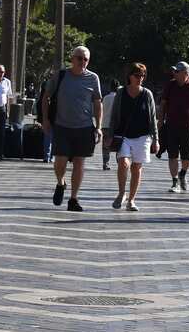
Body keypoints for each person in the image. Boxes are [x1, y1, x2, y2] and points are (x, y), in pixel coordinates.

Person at [40, 46, 103, 212]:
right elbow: (46, 97)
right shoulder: (60, 75)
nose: (82, 62)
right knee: (59, 161)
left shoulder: (93, 78)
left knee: (79, 164)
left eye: (86, 59)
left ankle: (73, 199)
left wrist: (99, 127)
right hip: (62, 126)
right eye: (79, 58)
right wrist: (45, 120)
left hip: (84, 127)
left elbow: (97, 102)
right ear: (72, 59)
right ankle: (61, 183)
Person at [110, 63, 160, 211]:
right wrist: (109, 134)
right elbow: (114, 115)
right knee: (123, 163)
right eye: (137, 75)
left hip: (143, 136)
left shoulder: (147, 94)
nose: (140, 78)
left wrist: (156, 140)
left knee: (137, 167)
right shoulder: (121, 93)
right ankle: (121, 194)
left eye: (142, 75)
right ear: (129, 76)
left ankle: (131, 200)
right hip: (123, 135)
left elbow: (152, 118)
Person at [159, 61, 189, 195]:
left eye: (177, 71)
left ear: (185, 73)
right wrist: (160, 121)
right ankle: (174, 182)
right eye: (174, 71)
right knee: (172, 155)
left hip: (188, 126)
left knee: (187, 156)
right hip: (171, 125)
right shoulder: (170, 85)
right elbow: (163, 104)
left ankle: (183, 174)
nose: (175, 73)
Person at [100, 81, 121, 170]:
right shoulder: (119, 98)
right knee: (119, 145)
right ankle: (120, 163)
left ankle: (106, 163)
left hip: (105, 124)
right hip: (117, 125)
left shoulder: (105, 98)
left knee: (106, 146)